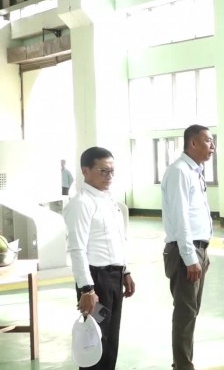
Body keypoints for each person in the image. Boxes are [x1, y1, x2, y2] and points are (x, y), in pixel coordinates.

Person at [64, 147, 136, 370]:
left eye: (112, 171)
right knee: (95, 341)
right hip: (96, 281)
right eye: (103, 171)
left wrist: (125, 271)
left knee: (111, 340)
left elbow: (117, 240)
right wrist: (87, 290)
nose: (109, 176)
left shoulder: (108, 200)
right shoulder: (81, 203)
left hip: (114, 277)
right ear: (85, 171)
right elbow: (77, 249)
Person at [161, 124, 215, 370]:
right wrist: (191, 257)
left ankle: (184, 363)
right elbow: (180, 217)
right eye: (208, 141)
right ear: (193, 143)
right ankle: (183, 366)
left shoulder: (195, 171)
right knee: (185, 312)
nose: (212, 146)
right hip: (186, 251)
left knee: (191, 311)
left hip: (197, 249)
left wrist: (203, 254)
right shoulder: (179, 172)